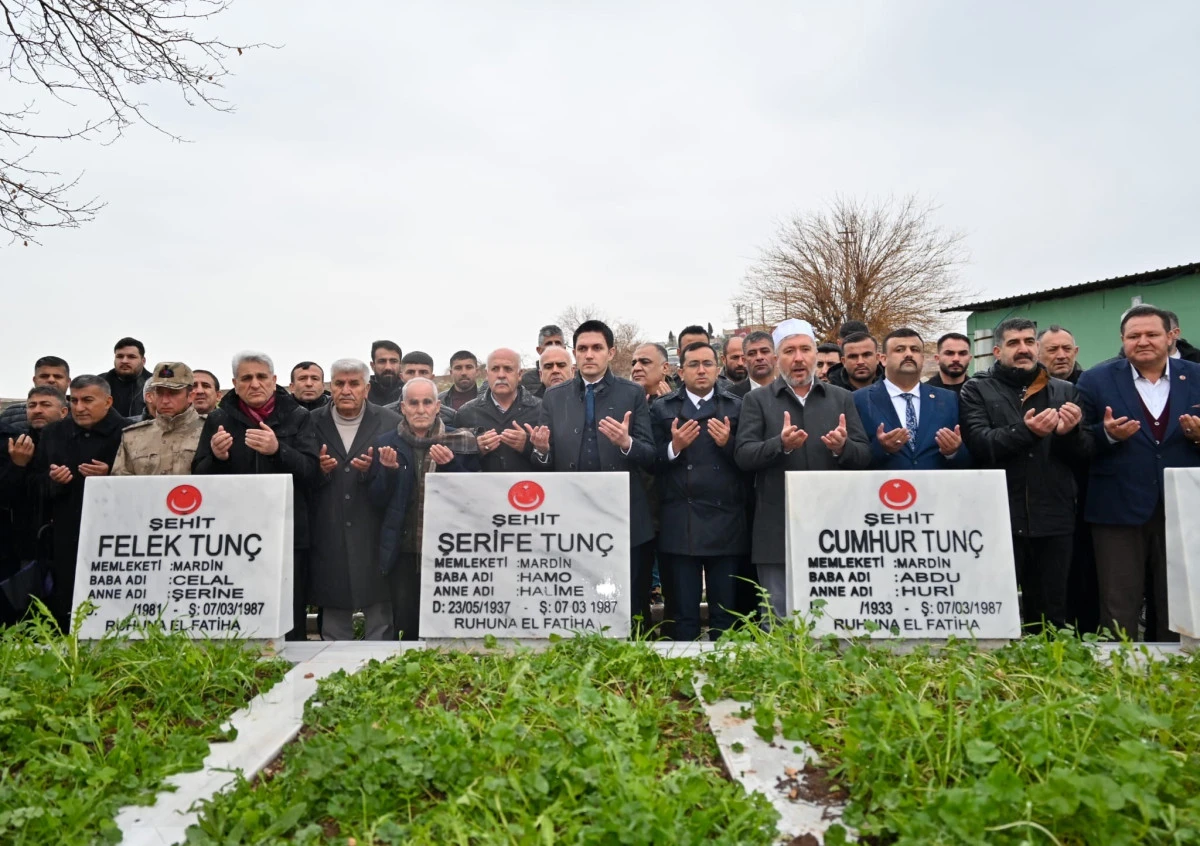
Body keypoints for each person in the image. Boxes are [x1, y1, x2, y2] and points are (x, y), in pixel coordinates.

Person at [959, 318, 1092, 633]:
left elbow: (1085, 452)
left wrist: (1070, 434)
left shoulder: (1065, 390)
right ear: (996, 351)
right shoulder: (976, 389)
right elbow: (980, 444)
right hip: (999, 515)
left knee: (1050, 614)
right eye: (1014, 343)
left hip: (1054, 514)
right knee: (993, 609)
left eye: (1029, 342)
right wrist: (1027, 432)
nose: (1023, 349)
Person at [1076, 304, 1200, 642]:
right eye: (1133, 336)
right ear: (1123, 340)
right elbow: (1076, 444)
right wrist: (1107, 436)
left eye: (1151, 334)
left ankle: (1173, 676)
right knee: (1119, 603)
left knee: (1178, 601)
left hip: (1184, 509)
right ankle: (1119, 677)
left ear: (1171, 335)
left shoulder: (1197, 375)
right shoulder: (1096, 379)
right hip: (1116, 507)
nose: (1142, 341)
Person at [734, 319, 871, 621]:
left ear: (815, 355)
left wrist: (841, 448)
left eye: (805, 350)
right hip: (776, 526)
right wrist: (779, 445)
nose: (798, 358)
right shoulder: (756, 400)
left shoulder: (841, 398)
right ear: (776, 358)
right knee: (778, 616)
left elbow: (863, 456)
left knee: (833, 616)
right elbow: (743, 455)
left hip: (832, 528)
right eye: (789, 351)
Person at [529, 319, 658, 632]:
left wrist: (626, 443)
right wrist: (542, 450)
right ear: (575, 353)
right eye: (582, 348)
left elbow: (651, 457)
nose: (589, 354)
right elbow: (543, 466)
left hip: (624, 515)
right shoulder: (554, 397)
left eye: (596, 348)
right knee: (578, 598)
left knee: (630, 600)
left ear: (611, 352)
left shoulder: (632, 394)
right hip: (573, 519)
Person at [192, 351, 321, 641]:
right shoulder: (218, 418)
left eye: (261, 377)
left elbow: (312, 472)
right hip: (236, 537)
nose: (255, 384)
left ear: (274, 381)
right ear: (235, 384)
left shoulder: (299, 417)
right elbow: (198, 475)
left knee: (291, 612)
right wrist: (216, 456)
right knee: (242, 610)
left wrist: (279, 450)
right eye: (246, 378)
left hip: (288, 533)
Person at [650, 341, 747, 640]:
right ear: (681, 371)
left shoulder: (736, 406)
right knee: (683, 615)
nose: (701, 370)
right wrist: (674, 447)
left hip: (726, 521)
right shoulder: (662, 408)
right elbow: (649, 459)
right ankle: (680, 681)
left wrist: (728, 444)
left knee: (725, 614)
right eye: (693, 364)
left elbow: (749, 460)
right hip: (680, 520)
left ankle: (728, 679)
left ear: (718, 369)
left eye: (707, 363)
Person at [371, 377, 480, 640]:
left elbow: (474, 496)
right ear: (403, 408)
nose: (420, 409)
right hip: (404, 550)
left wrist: (452, 466)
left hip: (449, 550)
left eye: (427, 402)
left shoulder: (461, 440)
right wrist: (388, 472)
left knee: (446, 626)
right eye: (414, 403)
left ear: (437, 407)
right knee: (406, 625)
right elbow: (376, 500)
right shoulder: (386, 442)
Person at [309, 359, 402, 640]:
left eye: (354, 383)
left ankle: (381, 666)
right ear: (330, 387)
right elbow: (300, 472)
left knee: (379, 605)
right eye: (339, 383)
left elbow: (401, 477)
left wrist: (376, 471)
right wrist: (319, 471)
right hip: (329, 526)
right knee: (334, 599)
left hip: (374, 526)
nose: (346, 390)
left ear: (367, 388)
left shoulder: (391, 422)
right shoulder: (310, 422)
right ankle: (331, 670)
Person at [31, 375, 127, 631]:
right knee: (65, 603)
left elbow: (140, 485)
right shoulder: (53, 433)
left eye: (87, 400)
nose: (79, 407)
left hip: (115, 534)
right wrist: (54, 481)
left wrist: (111, 475)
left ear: (108, 402)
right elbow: (34, 482)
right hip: (64, 533)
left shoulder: (128, 432)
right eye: (74, 400)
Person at [853, 329, 969, 470]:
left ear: (922, 358)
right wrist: (882, 449)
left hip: (935, 488)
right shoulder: (859, 400)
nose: (908, 354)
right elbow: (852, 457)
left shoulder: (948, 400)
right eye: (900, 349)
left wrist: (953, 451)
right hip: (883, 488)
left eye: (915, 350)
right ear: (883, 359)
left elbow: (969, 457)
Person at [0, 387, 69, 622]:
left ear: (63, 411)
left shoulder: (74, 439)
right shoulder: (14, 443)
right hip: (23, 547)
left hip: (64, 542)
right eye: (32, 405)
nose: (37, 410)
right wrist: (18, 465)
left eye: (45, 405)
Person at [456, 348, 542, 473]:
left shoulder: (540, 409)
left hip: (526, 489)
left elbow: (555, 461)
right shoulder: (466, 413)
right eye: (495, 369)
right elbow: (456, 465)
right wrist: (476, 449)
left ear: (519, 374)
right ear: (487, 374)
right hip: (482, 490)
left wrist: (528, 447)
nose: (501, 375)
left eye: (508, 369)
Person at [112, 363, 205, 476]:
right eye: (159, 393)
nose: (165, 400)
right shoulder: (133, 436)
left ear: (190, 396)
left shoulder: (210, 429)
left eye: (173, 393)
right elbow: (121, 484)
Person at [0, 356, 71, 433]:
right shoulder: (11, 414)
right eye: (44, 376)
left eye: (57, 376)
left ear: (68, 381)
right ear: (34, 380)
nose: (51, 380)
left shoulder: (80, 413)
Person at [103, 337, 152, 418]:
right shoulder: (99, 383)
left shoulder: (155, 385)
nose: (124, 361)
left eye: (131, 357)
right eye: (120, 356)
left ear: (143, 361)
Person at [520, 324, 566, 397]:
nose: (554, 347)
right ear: (539, 350)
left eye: (557, 343)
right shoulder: (526, 381)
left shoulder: (576, 378)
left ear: (564, 348)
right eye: (549, 344)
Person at [728, 331, 776, 398]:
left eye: (764, 351)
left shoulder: (790, 391)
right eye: (752, 353)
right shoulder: (731, 396)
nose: (759, 357)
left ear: (775, 357)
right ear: (744, 361)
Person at [368, 340, 404, 406]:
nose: (388, 367)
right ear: (373, 366)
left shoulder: (409, 390)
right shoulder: (362, 390)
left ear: (400, 365)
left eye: (393, 361)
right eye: (382, 361)